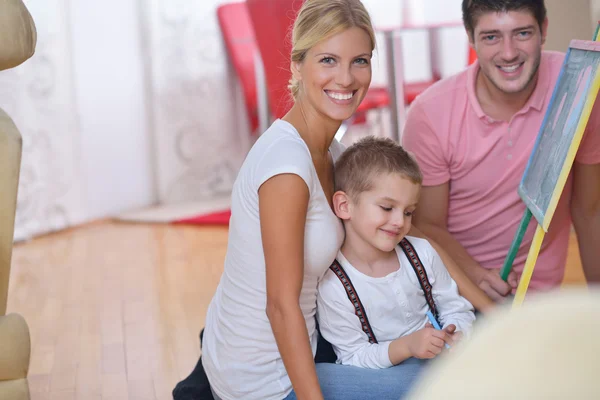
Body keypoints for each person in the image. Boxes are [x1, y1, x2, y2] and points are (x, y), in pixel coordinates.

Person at [402, 0, 600, 302]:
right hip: (456, 295)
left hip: (541, 300)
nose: (508, 53)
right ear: (470, 37)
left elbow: (590, 211)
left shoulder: (577, 86)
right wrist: (476, 273)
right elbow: (425, 226)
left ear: (544, 30)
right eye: (491, 36)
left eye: (522, 33)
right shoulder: (431, 113)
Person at [317, 137, 475, 370]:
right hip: (386, 376)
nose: (400, 221)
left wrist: (456, 332)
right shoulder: (333, 285)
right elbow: (353, 356)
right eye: (387, 208)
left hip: (442, 363)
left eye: (409, 212)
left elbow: (455, 307)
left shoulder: (422, 253)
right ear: (344, 206)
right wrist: (407, 347)